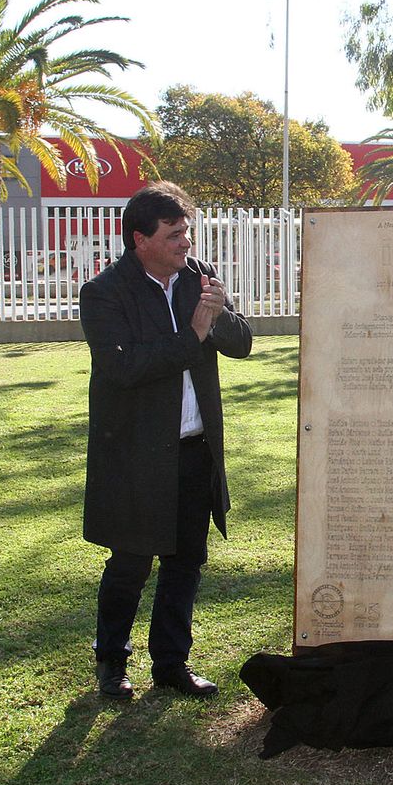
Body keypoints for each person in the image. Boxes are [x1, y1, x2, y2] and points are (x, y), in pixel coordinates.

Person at [80, 182, 252, 700]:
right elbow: (125, 367)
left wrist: (218, 316)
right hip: (136, 455)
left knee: (185, 562)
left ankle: (171, 664)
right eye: (175, 234)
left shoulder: (197, 279)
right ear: (141, 239)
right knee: (130, 563)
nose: (186, 243)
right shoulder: (105, 292)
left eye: (187, 232)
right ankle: (112, 662)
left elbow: (242, 343)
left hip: (195, 449)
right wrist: (193, 336)